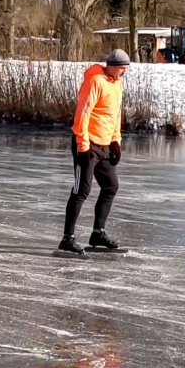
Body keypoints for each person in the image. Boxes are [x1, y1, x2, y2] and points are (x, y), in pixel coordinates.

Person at [59, 49, 129, 255]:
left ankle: (98, 233)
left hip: (105, 145)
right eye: (122, 69)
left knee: (111, 186)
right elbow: (82, 113)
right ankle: (67, 239)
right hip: (88, 144)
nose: (124, 73)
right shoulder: (95, 81)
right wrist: (83, 145)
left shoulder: (117, 84)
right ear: (113, 67)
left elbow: (115, 115)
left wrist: (116, 141)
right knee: (81, 191)